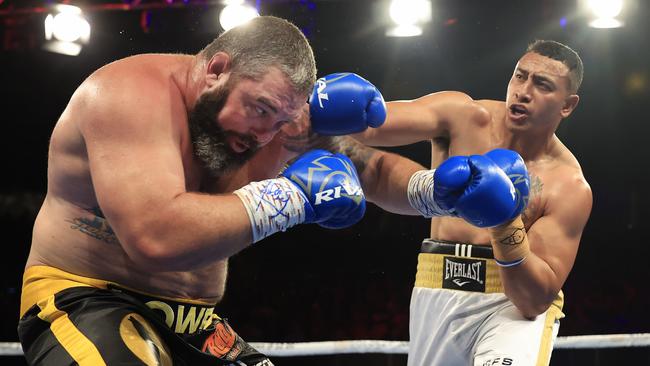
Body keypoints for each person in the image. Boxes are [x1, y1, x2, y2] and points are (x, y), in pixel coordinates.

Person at [17, 16, 428, 365]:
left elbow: (369, 170)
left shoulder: (279, 117)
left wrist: (431, 192)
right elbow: (155, 238)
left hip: (198, 324)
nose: (266, 135)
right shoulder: (129, 94)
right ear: (216, 69)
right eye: (260, 109)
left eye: (281, 121)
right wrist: (292, 198)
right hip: (88, 299)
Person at [354, 40, 593, 365]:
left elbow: (533, 300)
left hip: (509, 306)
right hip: (436, 288)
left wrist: (505, 222)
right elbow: (370, 125)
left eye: (542, 85)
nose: (523, 91)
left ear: (567, 105)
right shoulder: (462, 116)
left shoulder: (568, 185)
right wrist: (335, 109)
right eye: (519, 76)